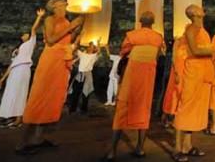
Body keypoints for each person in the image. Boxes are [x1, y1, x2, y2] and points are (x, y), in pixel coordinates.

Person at [16, 0, 84, 155]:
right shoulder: (49, 19)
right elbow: (52, 40)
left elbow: (68, 40)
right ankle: (22, 143)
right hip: (50, 61)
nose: (66, 3)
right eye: (62, 2)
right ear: (54, 6)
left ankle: (38, 139)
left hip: (61, 61)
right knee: (39, 97)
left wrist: (79, 26)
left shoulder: (66, 20)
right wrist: (71, 27)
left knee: (52, 99)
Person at [103, 11, 165, 160]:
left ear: (140, 21)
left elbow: (124, 51)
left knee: (122, 107)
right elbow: (157, 55)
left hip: (133, 73)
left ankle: (112, 151)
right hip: (148, 76)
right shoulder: (158, 37)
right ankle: (140, 148)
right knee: (144, 107)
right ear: (153, 21)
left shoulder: (132, 35)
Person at [173, 5, 215, 162]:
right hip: (192, 73)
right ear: (194, 13)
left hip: (201, 73)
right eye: (199, 8)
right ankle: (177, 148)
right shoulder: (192, 28)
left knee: (194, 110)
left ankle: (187, 145)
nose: (202, 8)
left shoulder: (202, 30)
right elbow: (195, 51)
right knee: (185, 109)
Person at [0, 9, 45, 128]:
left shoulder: (30, 44)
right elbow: (12, 64)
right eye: (25, 34)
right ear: (21, 37)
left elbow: (34, 29)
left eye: (28, 34)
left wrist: (39, 17)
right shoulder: (18, 50)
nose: (27, 35)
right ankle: (9, 116)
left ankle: (19, 118)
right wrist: (3, 78)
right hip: (14, 71)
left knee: (20, 92)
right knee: (11, 93)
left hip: (23, 69)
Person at [162, 34, 188, 127]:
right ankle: (169, 116)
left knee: (183, 94)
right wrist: (176, 72)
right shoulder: (179, 41)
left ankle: (179, 117)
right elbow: (173, 58)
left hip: (187, 72)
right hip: (177, 71)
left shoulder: (192, 42)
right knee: (173, 93)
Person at [69, 40, 100, 114]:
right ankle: (73, 109)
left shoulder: (94, 56)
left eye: (92, 46)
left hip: (88, 75)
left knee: (85, 93)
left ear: (94, 49)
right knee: (76, 92)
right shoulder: (82, 54)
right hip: (80, 74)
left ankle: (84, 109)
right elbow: (75, 49)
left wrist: (98, 43)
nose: (90, 47)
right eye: (89, 46)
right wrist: (78, 40)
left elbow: (98, 51)